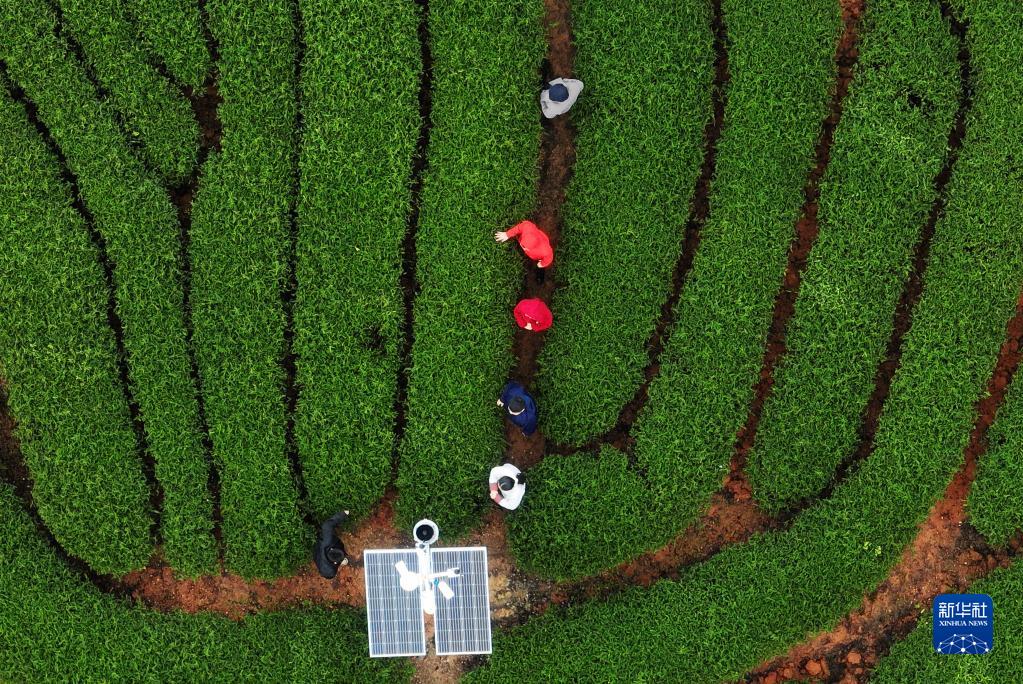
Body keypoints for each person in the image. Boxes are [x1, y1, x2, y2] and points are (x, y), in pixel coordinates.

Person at [314, 510, 350, 579]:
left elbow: (327, 525)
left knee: (324, 534)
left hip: (319, 550)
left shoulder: (327, 541)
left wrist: (342, 514)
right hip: (318, 555)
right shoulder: (329, 572)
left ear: (332, 549)